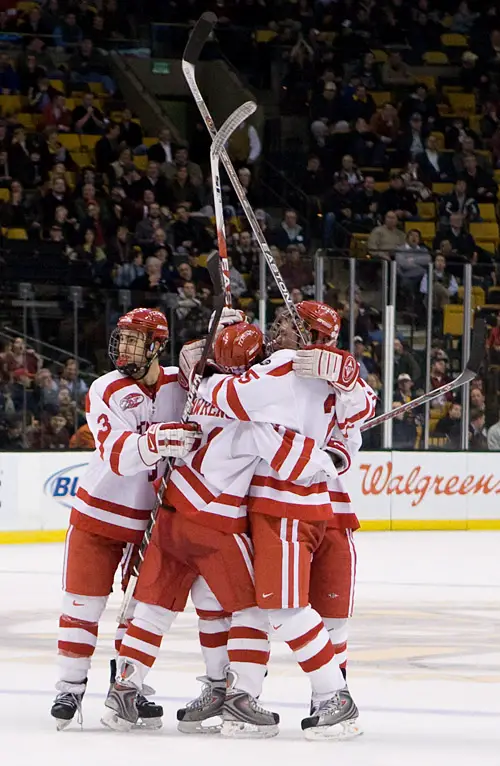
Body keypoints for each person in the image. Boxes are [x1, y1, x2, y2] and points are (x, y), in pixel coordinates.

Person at [196, 302, 376, 739]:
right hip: (298, 501)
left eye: (286, 325)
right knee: (276, 605)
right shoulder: (322, 373)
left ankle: (334, 696)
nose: (275, 330)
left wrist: (218, 356)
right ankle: (304, 695)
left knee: (282, 606)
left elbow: (224, 397)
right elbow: (359, 412)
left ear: (311, 337)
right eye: (276, 321)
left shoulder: (283, 367)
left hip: (285, 503)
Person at [50, 308, 201, 730]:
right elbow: (118, 456)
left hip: (149, 524)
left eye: (136, 339)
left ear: (157, 345)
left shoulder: (182, 383)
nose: (125, 346)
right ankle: (69, 686)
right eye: (123, 337)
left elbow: (224, 388)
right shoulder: (105, 388)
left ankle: (126, 690)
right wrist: (159, 439)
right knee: (82, 604)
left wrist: (219, 335)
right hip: (97, 515)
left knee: (137, 612)